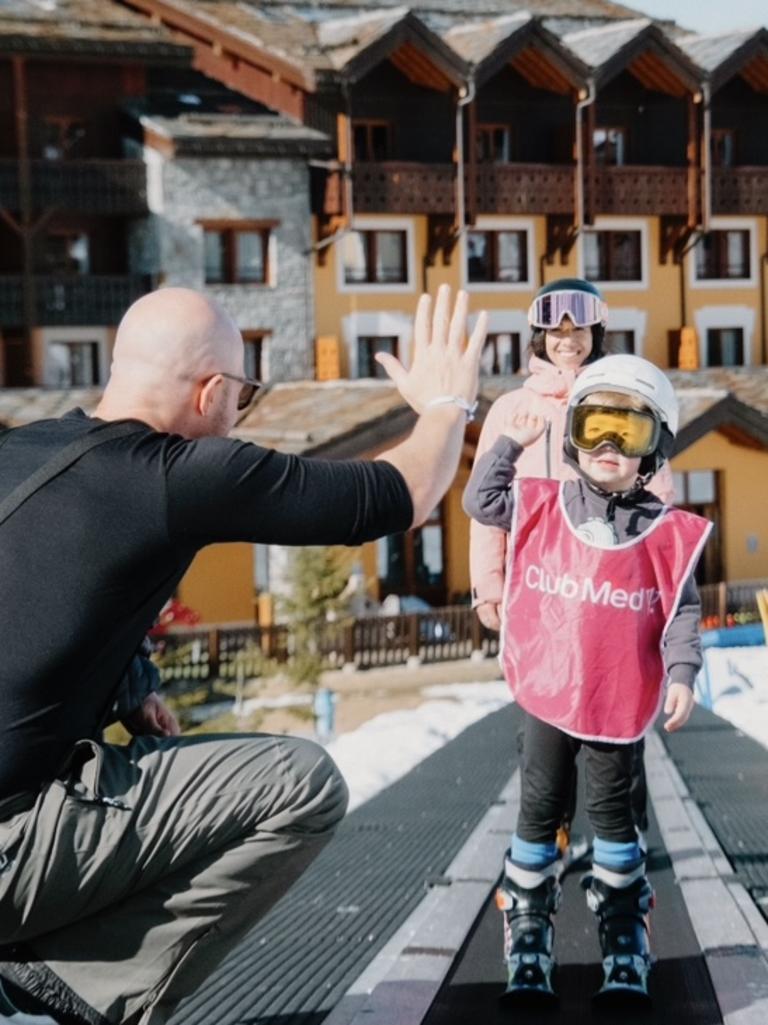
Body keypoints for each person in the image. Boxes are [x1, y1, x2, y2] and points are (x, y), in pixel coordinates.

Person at [0, 283, 487, 1025]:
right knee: (300, 784)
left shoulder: (23, 448)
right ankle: (62, 990)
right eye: (244, 397)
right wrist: (449, 405)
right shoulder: (180, 476)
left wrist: (130, 686)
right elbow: (402, 494)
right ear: (212, 392)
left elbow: (45, 596)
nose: (239, 415)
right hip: (8, 850)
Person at [463, 354, 711, 1000]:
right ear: (571, 433)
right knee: (539, 808)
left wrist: (681, 671)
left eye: (627, 433)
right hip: (549, 690)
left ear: (652, 447)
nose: (608, 445)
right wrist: (510, 443)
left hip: (615, 700)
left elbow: (682, 606)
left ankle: (625, 937)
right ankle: (528, 928)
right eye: (596, 426)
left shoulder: (661, 531)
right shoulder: (545, 503)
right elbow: (482, 500)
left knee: (612, 817)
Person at [470, 278, 674, 852]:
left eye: (578, 330)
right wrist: (490, 586)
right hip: (540, 590)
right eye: (557, 333)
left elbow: (657, 494)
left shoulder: (621, 398)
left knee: (616, 719)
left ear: (595, 333)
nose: (568, 342)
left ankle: (621, 838)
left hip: (609, 589)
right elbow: (487, 506)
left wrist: (655, 583)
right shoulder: (512, 409)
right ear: (539, 337)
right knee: (541, 718)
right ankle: (552, 830)